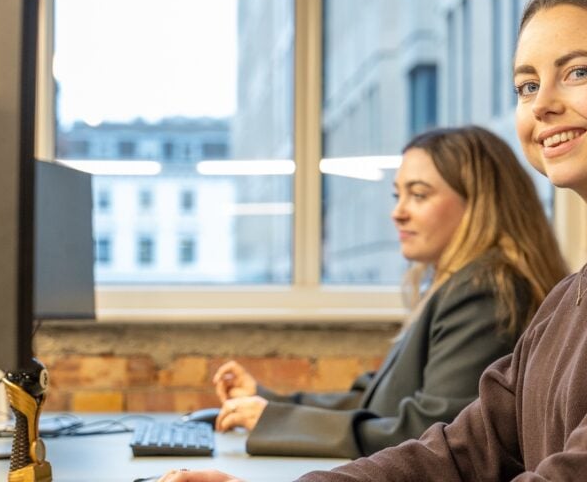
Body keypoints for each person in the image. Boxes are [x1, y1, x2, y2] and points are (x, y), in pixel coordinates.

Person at [161, 0, 587, 482]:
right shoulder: (575, 292)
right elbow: (465, 451)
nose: (542, 103)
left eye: (577, 72)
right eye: (527, 84)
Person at [206, 126, 566, 460]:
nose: (397, 213)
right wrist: (266, 403)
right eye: (398, 195)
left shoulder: (486, 290)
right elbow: (377, 402)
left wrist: (276, 420)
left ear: (480, 206)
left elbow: (431, 432)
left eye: (419, 195)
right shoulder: (461, 284)